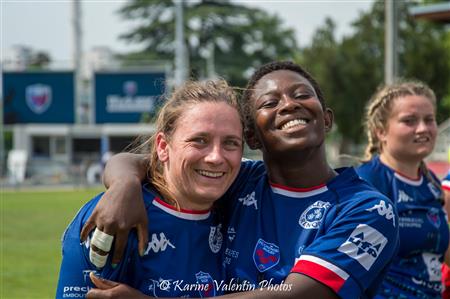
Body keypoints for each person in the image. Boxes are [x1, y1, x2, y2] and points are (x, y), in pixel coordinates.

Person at [84, 61, 399, 299]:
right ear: (252, 137)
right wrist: (124, 184)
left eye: (302, 95)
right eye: (269, 103)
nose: (289, 104)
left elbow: (299, 295)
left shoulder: (369, 210)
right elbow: (145, 162)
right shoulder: (240, 180)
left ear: (326, 118)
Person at [55, 80, 244, 298]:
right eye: (199, 140)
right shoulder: (116, 214)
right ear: (163, 147)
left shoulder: (243, 205)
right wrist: (124, 182)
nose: (216, 157)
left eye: (231, 143)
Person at [356, 81, 449, 299]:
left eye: (429, 120)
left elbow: (440, 250)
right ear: (381, 132)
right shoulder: (366, 182)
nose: (423, 128)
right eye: (409, 121)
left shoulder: (431, 183)